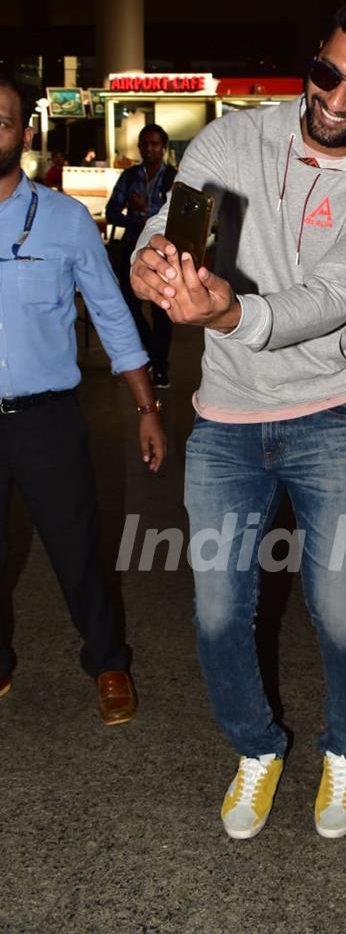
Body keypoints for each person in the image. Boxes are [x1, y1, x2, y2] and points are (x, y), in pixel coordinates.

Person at [130, 0, 346, 840]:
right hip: (225, 417)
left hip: (332, 413)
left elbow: (326, 301)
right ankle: (257, 746)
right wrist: (156, 262)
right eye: (327, 74)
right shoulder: (233, 137)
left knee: (338, 607)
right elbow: (175, 221)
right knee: (218, 609)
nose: (335, 100)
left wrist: (228, 315)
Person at [0, 73, 166, 722]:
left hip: (47, 419)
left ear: (24, 132)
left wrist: (147, 407)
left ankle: (107, 660)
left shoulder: (64, 220)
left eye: (3, 118)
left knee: (76, 547)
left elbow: (112, 313)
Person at [105, 124, 177, 388]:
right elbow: (111, 211)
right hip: (132, 246)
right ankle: (153, 355)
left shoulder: (174, 177)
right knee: (129, 305)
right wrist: (133, 218)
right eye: (144, 144)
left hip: (163, 251)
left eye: (155, 144)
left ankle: (160, 368)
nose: (149, 149)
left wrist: (146, 214)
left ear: (163, 147)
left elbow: (177, 217)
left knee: (161, 310)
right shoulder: (130, 176)